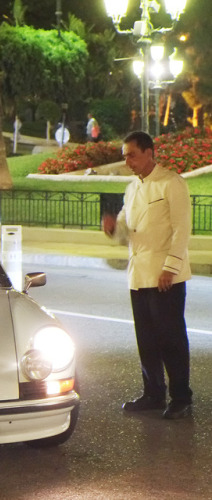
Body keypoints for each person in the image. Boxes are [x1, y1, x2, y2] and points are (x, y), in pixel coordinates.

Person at [103, 131, 193, 420]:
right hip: (138, 276)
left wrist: (171, 267)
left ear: (150, 153)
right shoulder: (131, 189)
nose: (127, 160)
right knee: (147, 340)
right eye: (124, 155)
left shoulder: (171, 182)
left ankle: (181, 396)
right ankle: (153, 393)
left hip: (165, 276)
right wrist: (111, 229)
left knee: (171, 339)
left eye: (132, 154)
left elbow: (182, 230)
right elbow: (124, 231)